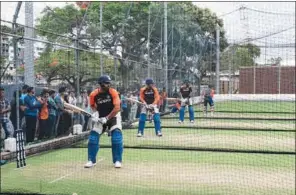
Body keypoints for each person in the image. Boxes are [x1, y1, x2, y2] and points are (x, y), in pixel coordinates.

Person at [85, 75, 123, 168]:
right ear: (101, 84)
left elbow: (117, 108)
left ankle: (117, 160)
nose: (109, 84)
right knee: (93, 137)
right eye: (106, 83)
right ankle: (91, 160)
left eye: (109, 83)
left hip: (113, 116)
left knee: (116, 137)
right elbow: (93, 105)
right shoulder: (93, 94)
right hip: (101, 118)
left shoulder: (113, 92)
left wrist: (107, 118)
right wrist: (95, 113)